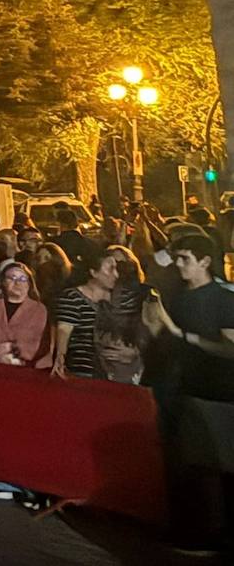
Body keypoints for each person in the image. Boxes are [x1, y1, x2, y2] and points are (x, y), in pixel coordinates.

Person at [142, 232, 234, 556]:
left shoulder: (223, 298)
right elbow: (155, 265)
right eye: (178, 257)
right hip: (181, 388)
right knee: (188, 464)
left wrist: (183, 334)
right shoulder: (177, 296)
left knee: (216, 467)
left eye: (186, 258)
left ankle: (216, 535)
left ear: (205, 261)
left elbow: (230, 348)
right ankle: (195, 530)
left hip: (216, 392)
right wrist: (155, 328)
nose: (179, 264)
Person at [51, 249, 118, 380]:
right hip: (83, 371)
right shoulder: (73, 297)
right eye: (110, 269)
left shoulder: (118, 299)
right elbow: (64, 329)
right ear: (93, 272)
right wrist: (60, 356)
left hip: (115, 372)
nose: (116, 274)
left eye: (116, 268)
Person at [0, 262, 52, 368]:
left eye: (22, 279)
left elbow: (39, 342)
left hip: (28, 368)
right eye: (11, 278)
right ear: (3, 282)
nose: (17, 283)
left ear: (29, 283)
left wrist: (12, 348)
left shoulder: (39, 309)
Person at [96, 245, 148, 384]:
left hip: (132, 361)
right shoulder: (98, 295)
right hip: (102, 361)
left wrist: (137, 352)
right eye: (112, 264)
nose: (118, 269)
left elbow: (153, 330)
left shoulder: (144, 294)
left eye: (122, 264)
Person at [32, 243, 72, 311]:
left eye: (47, 258)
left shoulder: (68, 285)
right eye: (39, 258)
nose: (42, 262)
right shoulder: (34, 282)